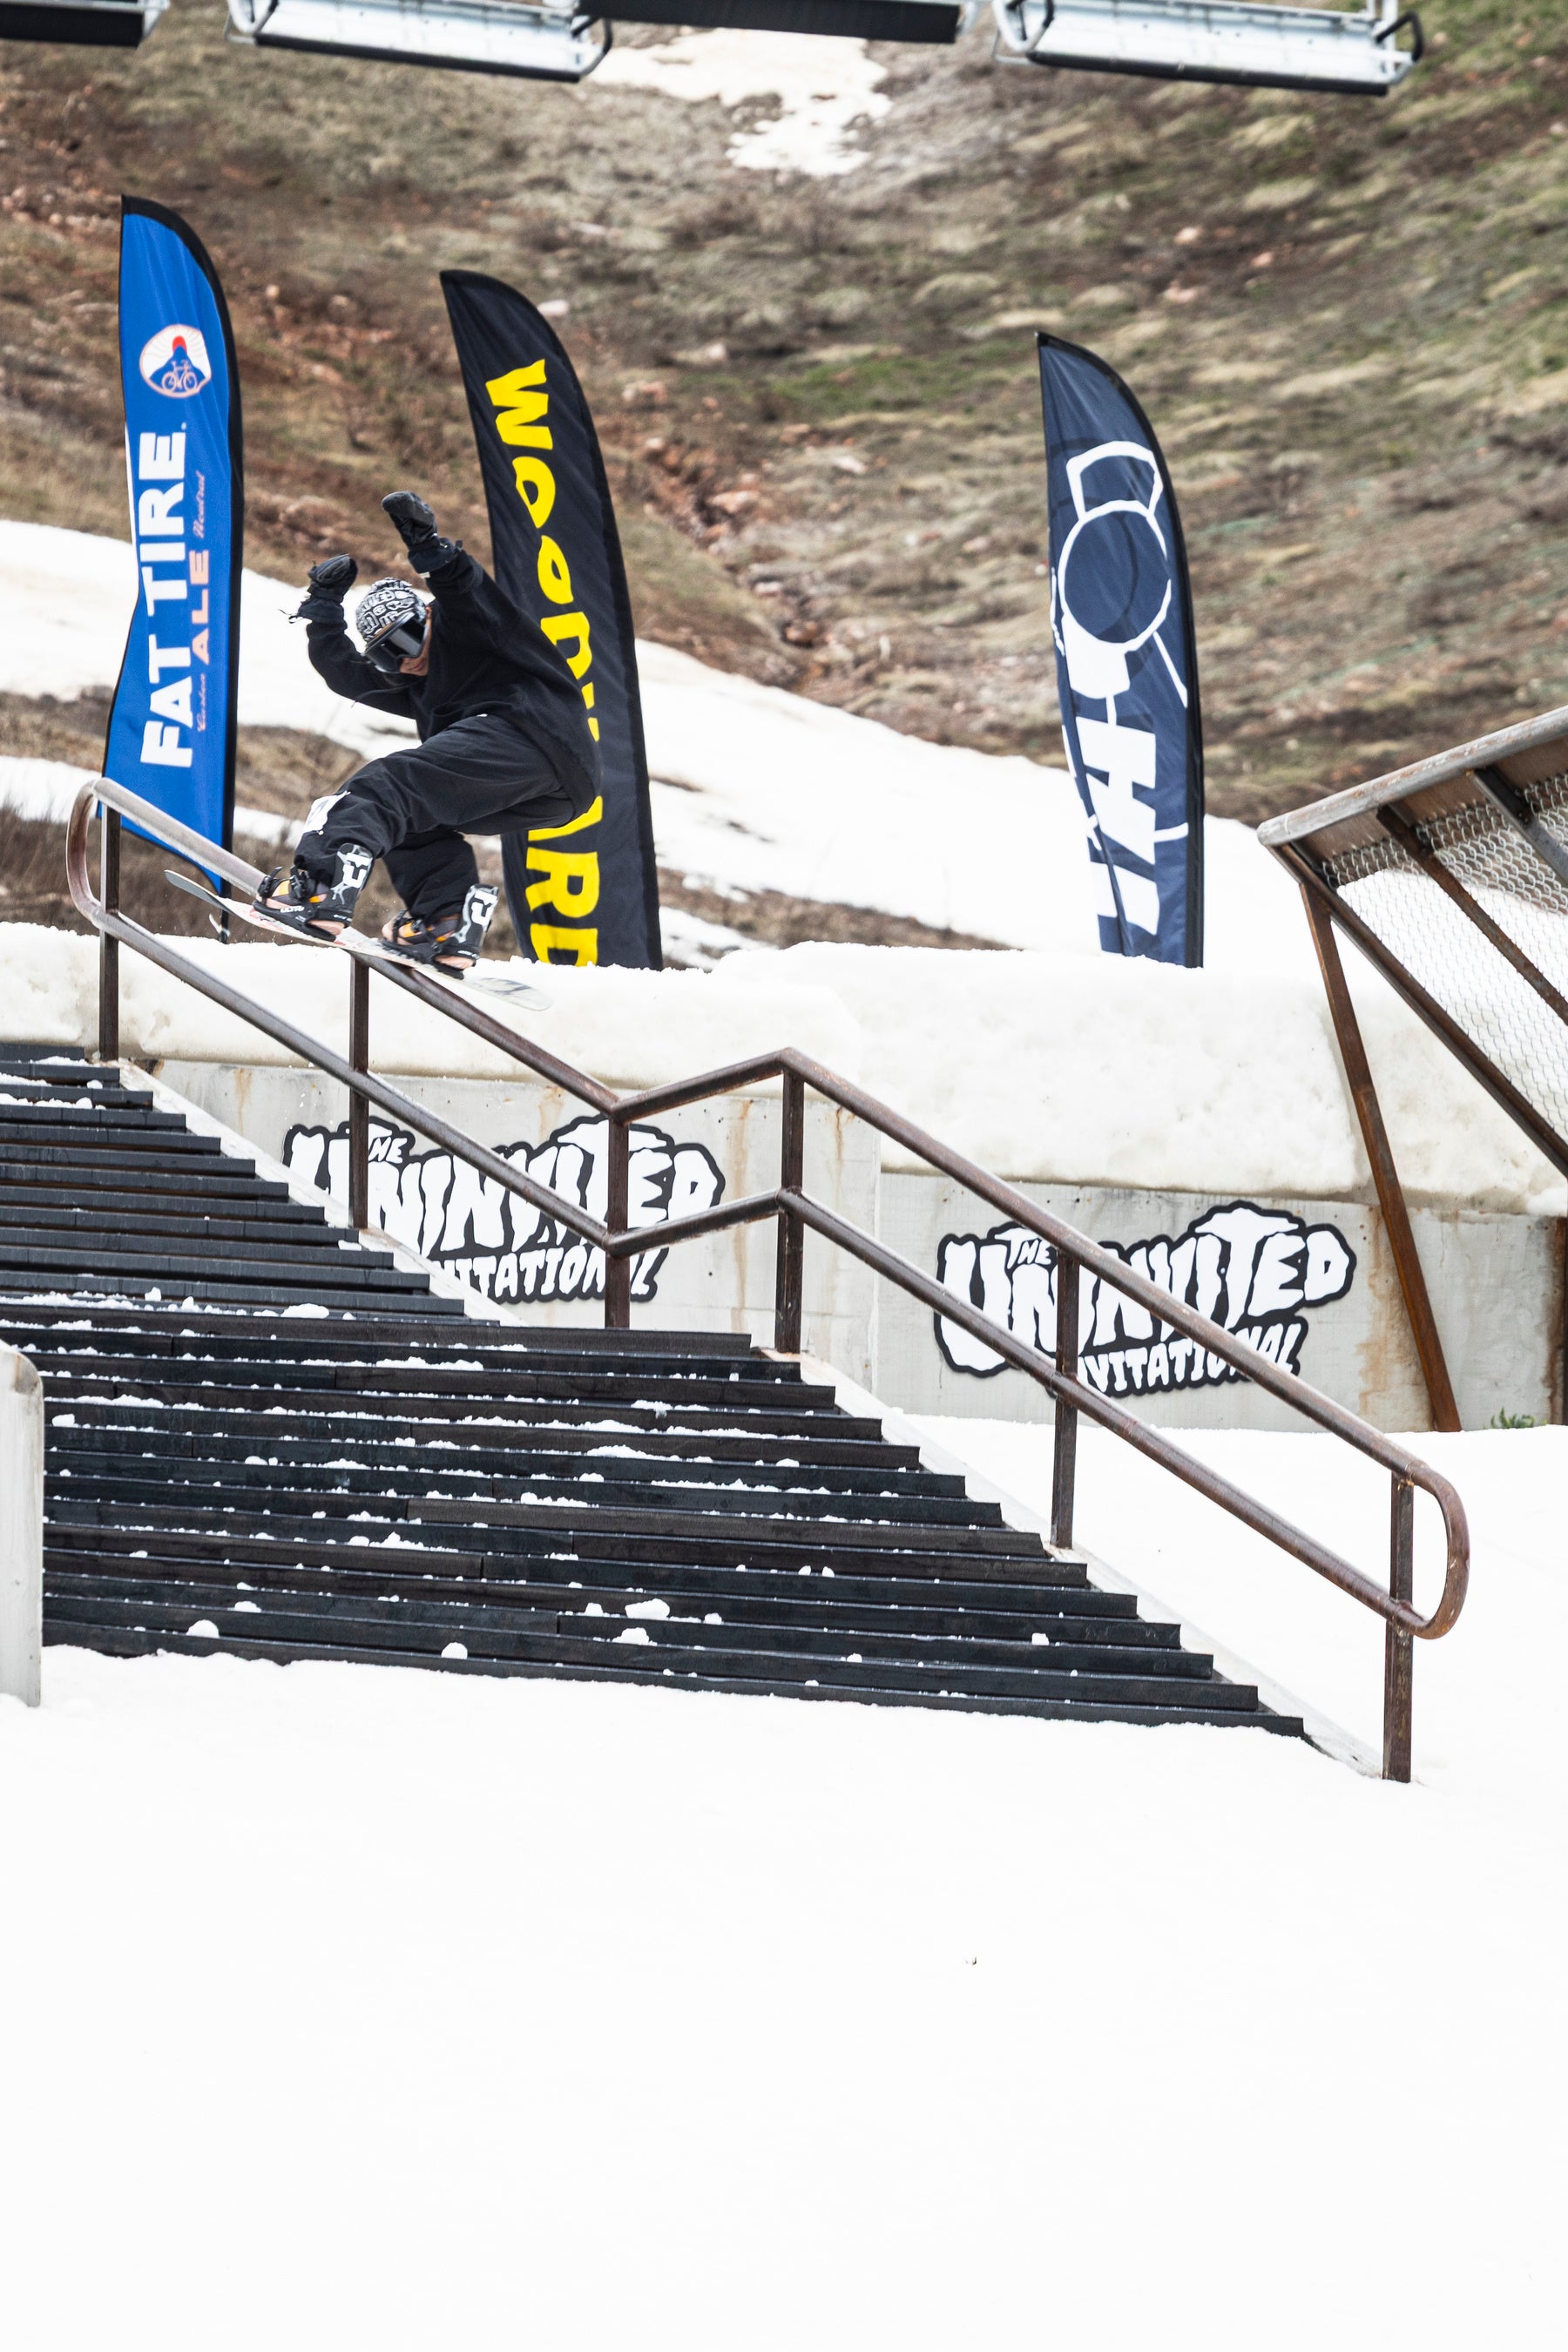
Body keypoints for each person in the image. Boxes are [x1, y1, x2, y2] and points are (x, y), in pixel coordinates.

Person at [255, 490, 598, 974]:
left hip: (529, 732)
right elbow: (345, 674)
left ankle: (320, 888)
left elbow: (466, 589)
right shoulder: (415, 682)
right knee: (413, 821)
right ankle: (445, 923)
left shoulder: (469, 626)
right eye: (387, 655)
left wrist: (428, 547)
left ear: (427, 616)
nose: (406, 660)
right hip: (557, 792)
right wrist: (323, 609)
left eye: (407, 638)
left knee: (385, 785)